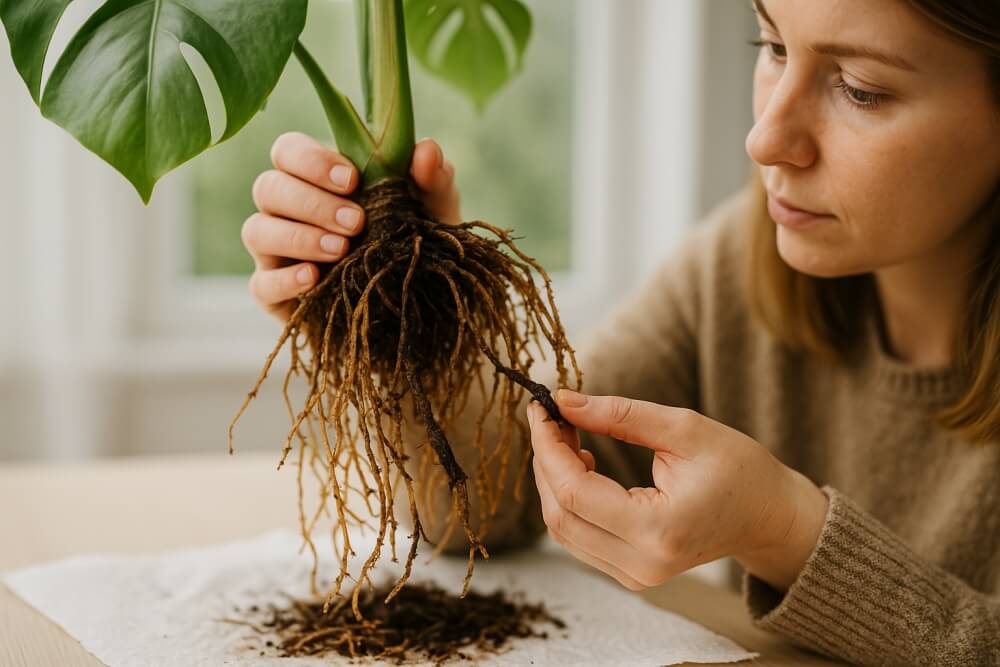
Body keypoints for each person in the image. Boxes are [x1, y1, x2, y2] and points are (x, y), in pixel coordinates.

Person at [240, 0, 1000, 663]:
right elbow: (490, 505)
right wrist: (402, 322)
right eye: (771, 46)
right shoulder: (736, 267)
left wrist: (787, 530)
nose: (766, 138)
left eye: (860, 90)